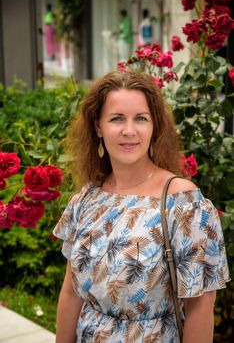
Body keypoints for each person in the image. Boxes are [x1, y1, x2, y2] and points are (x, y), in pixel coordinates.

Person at [53, 70, 230, 343]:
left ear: (154, 126)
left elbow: (200, 307)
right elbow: (71, 291)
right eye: (116, 118)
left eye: (141, 118)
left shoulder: (182, 203)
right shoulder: (86, 199)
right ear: (98, 127)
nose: (129, 130)